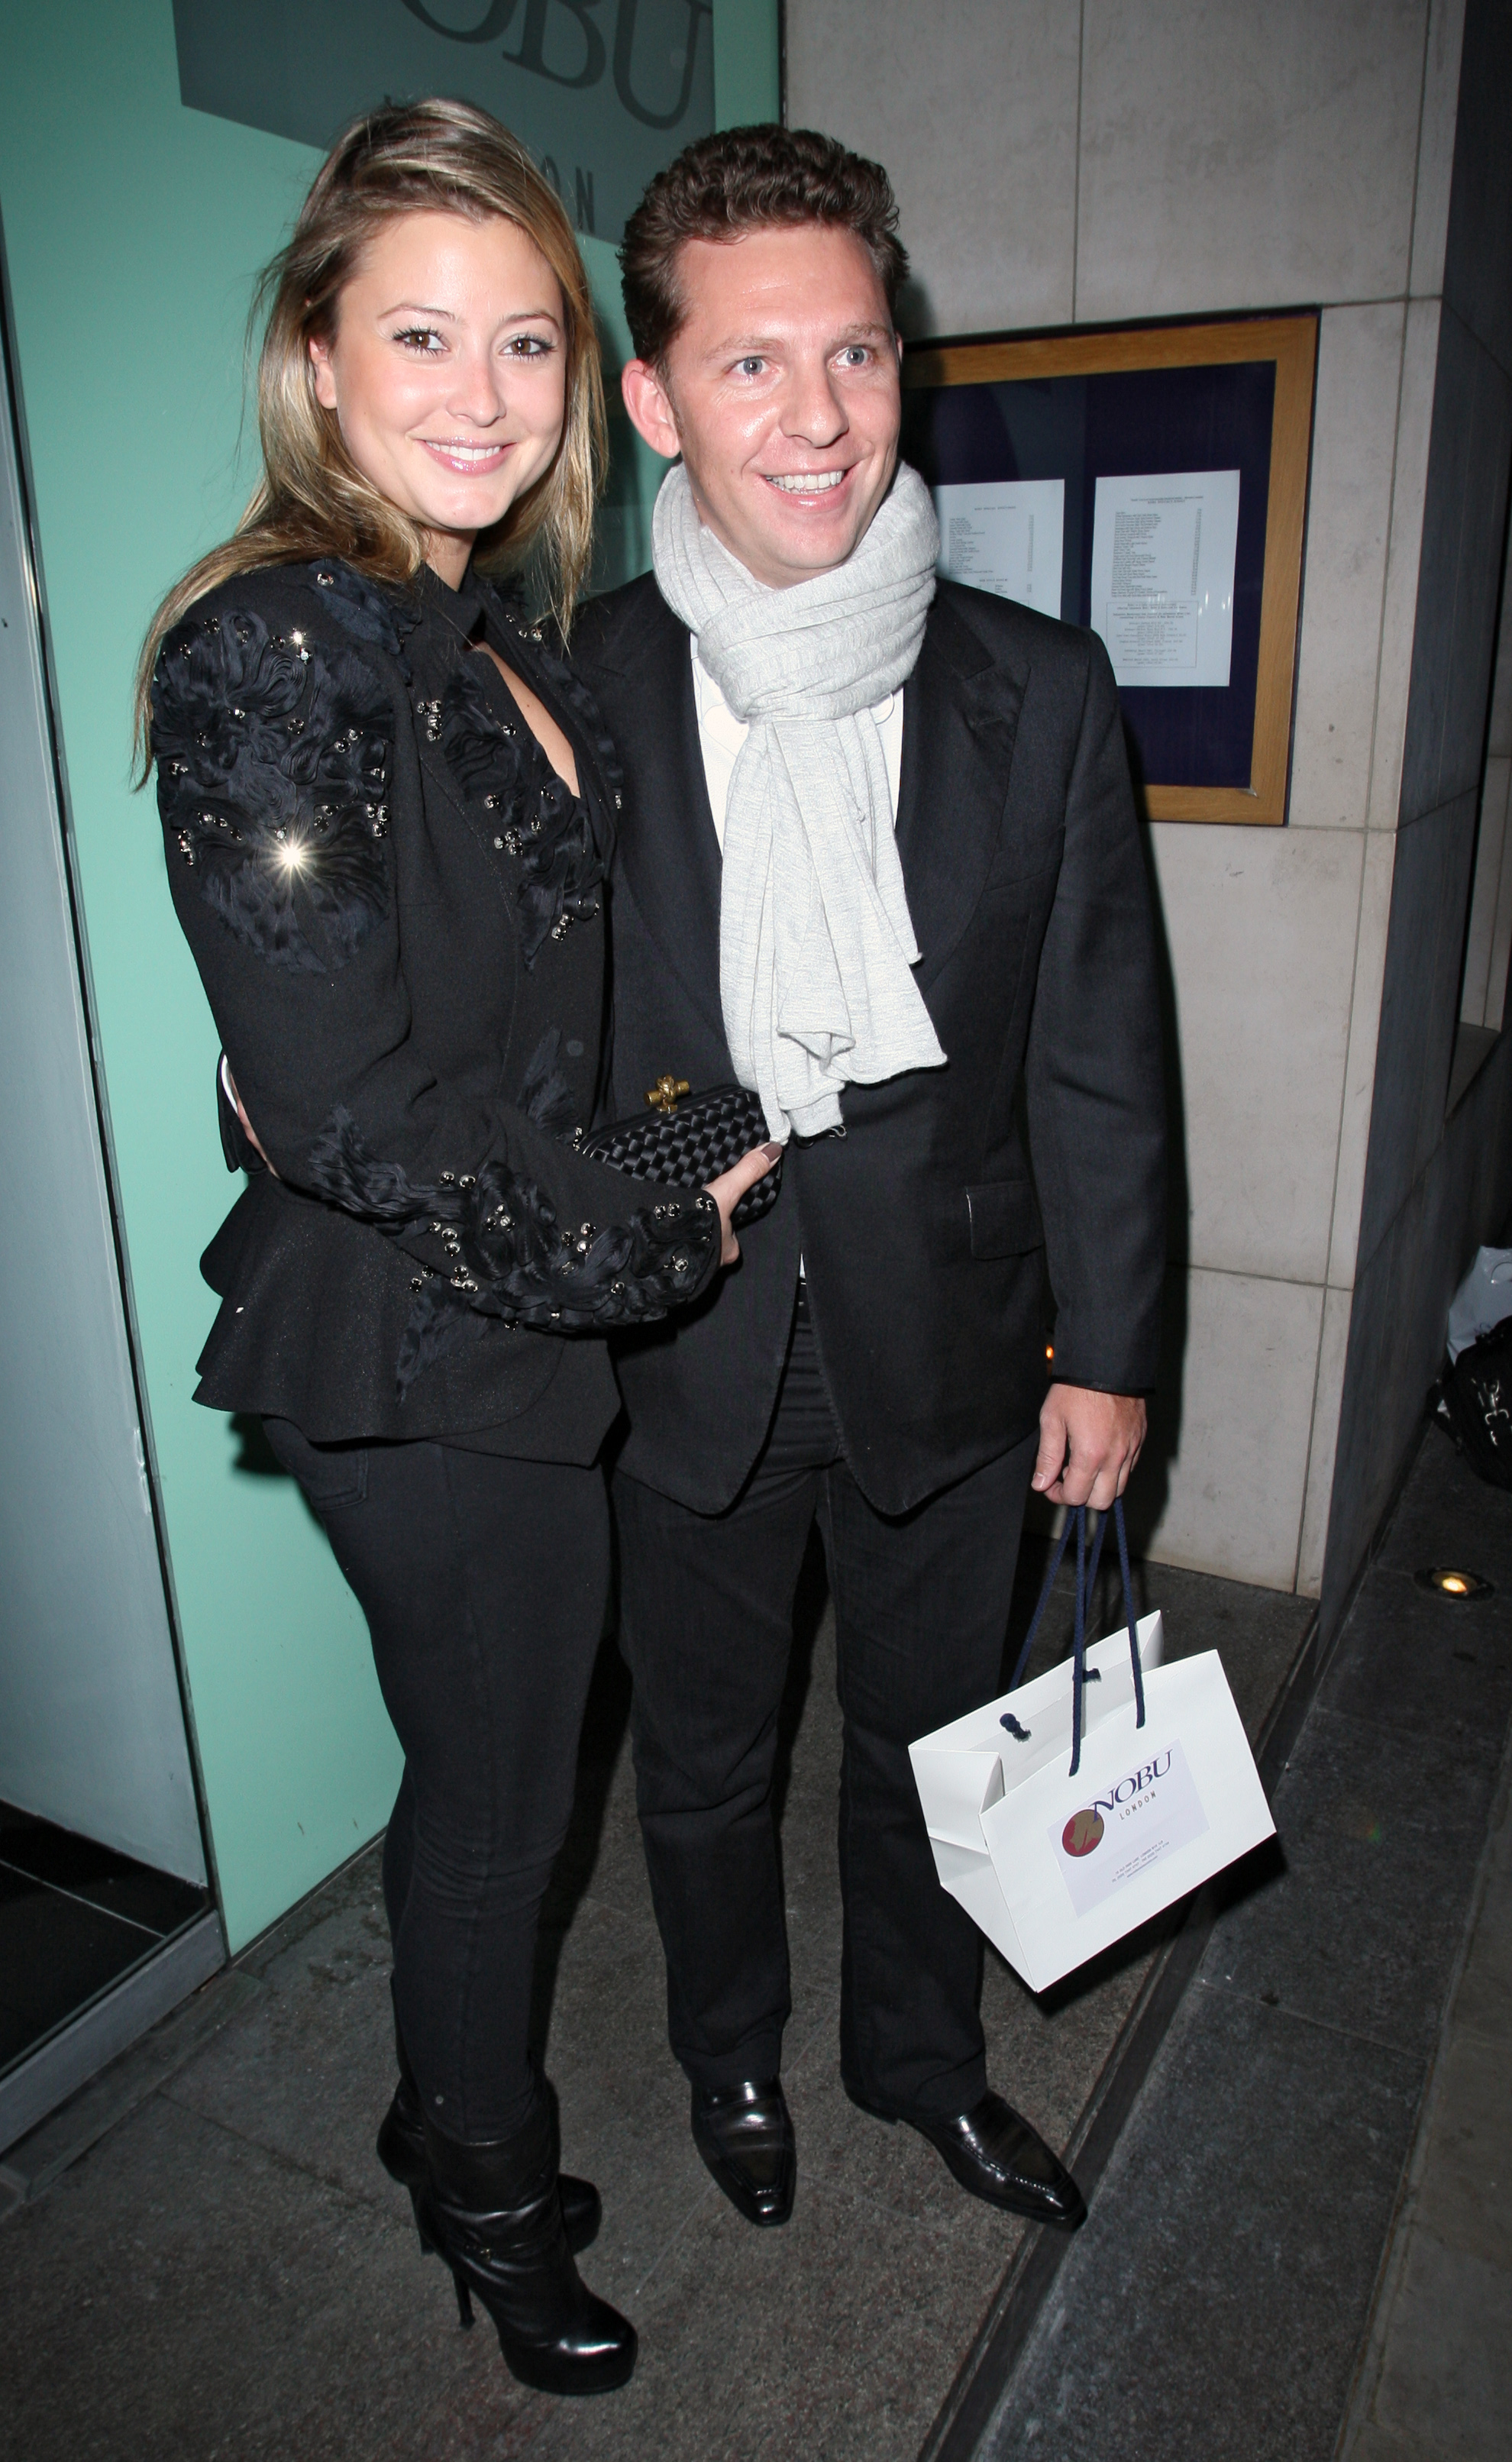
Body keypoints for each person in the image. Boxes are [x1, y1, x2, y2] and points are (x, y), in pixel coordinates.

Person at [137, 102, 774, 2396]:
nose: (483, 391)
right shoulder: (272, 639)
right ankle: (489, 2205)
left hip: (506, 1299)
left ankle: (443, 2111)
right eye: (420, 334)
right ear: (315, 357)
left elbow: (479, 1023)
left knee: (487, 1767)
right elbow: (342, 1107)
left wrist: (699, 1137)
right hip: (417, 1342)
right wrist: (655, 1234)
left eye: (525, 338)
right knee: (506, 1802)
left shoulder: (492, 637)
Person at [574, 124, 1166, 2237]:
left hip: (955, 1335)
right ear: (654, 400)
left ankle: (920, 2061)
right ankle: (727, 2056)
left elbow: (1098, 1052)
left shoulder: (1037, 687)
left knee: (935, 1740)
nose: (815, 417)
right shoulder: (565, 692)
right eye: (749, 364)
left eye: (854, 353)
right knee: (703, 1755)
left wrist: (1109, 1349)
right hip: (682, 1343)